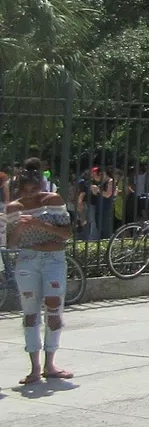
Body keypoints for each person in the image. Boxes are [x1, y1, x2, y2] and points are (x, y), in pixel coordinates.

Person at [5, 158, 75, 384]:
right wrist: (20, 228)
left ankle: (50, 363)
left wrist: (40, 224)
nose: (29, 195)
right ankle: (34, 367)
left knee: (53, 308)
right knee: (30, 312)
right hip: (27, 260)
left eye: (34, 190)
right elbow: (12, 244)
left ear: (42, 186)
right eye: (25, 191)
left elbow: (66, 234)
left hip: (53, 259)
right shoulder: (14, 207)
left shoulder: (52, 200)